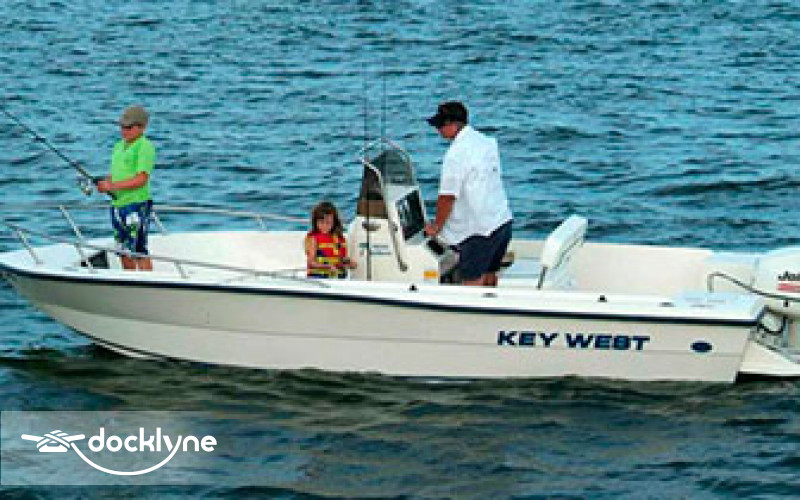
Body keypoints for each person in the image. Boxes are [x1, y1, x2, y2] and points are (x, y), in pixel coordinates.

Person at [424, 101, 513, 287]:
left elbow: (447, 197)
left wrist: (436, 226)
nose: (438, 130)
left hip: (478, 232)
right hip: (501, 221)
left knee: (472, 283)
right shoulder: (486, 142)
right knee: (490, 274)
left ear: (452, 125)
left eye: (440, 125)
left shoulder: (455, 154)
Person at [96, 105, 156, 271]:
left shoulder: (145, 147)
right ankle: (129, 277)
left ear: (142, 127)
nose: (124, 131)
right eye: (122, 127)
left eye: (129, 127)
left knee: (138, 250)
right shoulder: (118, 146)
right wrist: (105, 184)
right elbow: (115, 174)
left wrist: (112, 186)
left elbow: (141, 179)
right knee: (122, 249)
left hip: (136, 204)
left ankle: (146, 280)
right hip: (118, 204)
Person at [305, 201, 356, 279]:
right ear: (316, 222)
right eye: (321, 222)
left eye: (328, 223)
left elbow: (341, 260)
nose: (325, 226)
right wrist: (327, 266)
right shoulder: (313, 239)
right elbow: (311, 262)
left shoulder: (339, 239)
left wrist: (349, 263)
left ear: (334, 222)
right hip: (319, 279)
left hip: (338, 279)